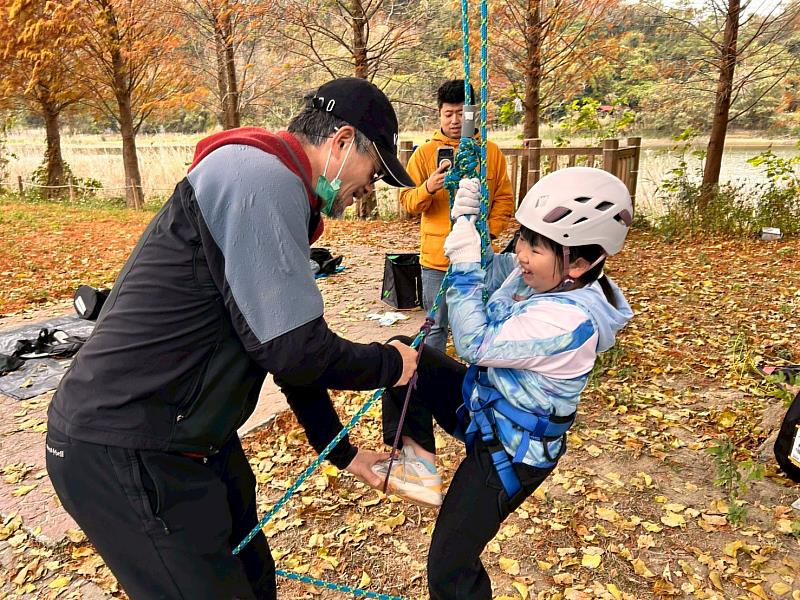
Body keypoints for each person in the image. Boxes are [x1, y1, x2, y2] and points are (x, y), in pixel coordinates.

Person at [45, 77, 419, 600]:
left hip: (195, 443)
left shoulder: (271, 184)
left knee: (254, 583)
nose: (369, 188)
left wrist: (343, 454)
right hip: (127, 445)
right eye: (374, 171)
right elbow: (297, 349)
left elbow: (283, 351)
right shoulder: (258, 181)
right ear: (340, 142)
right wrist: (389, 363)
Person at [373, 167, 635, 599]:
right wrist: (469, 225)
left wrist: (461, 268)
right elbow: (495, 270)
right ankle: (413, 465)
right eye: (523, 239)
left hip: (511, 453)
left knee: (448, 568)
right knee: (405, 356)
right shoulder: (543, 273)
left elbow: (475, 343)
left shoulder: (571, 320)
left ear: (582, 263)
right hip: (485, 406)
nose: (523, 255)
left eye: (536, 247)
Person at [399, 79, 514, 352]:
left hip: (480, 256)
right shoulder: (425, 154)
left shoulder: (489, 152)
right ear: (439, 114)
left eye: (461, 113)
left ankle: (479, 382)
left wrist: (490, 232)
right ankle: (430, 379)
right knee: (435, 326)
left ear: (472, 113)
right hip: (437, 259)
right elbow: (407, 202)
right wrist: (428, 187)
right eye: (448, 113)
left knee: (482, 322)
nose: (454, 120)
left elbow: (504, 199)